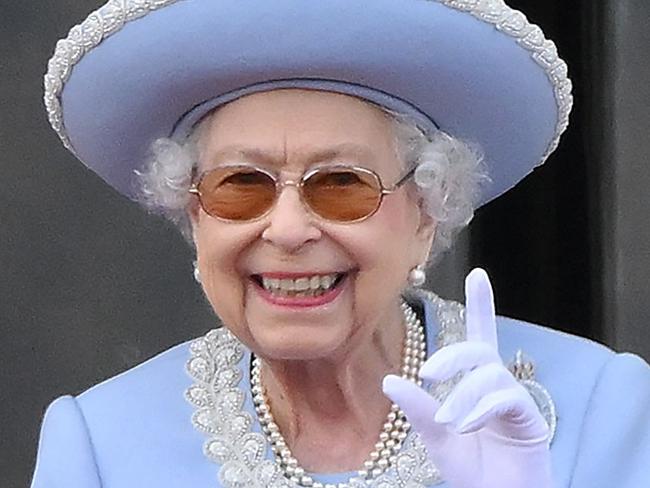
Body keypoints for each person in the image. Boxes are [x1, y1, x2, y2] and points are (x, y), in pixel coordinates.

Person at [32, 1, 650, 487]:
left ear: (425, 216)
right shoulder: (99, 446)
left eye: (343, 185)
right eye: (241, 185)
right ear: (196, 218)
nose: (289, 230)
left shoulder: (600, 407)